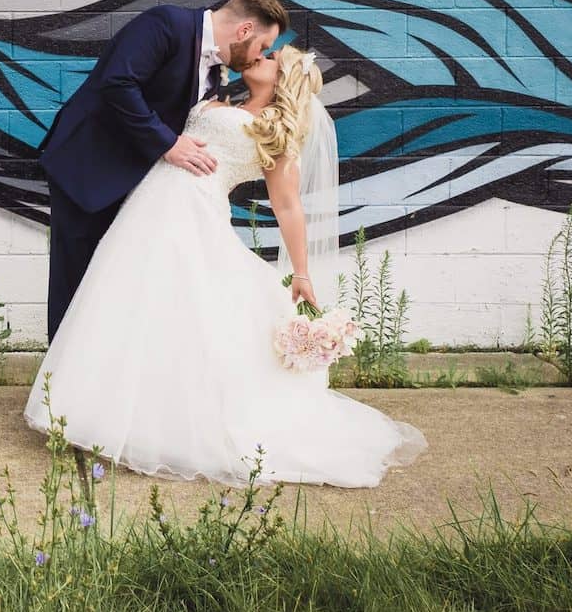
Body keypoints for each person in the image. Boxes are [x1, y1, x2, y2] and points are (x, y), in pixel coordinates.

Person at [25, 45, 428, 487]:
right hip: (149, 207)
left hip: (192, 216)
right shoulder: (220, 96)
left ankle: (165, 426)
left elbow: (288, 205)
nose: (262, 55)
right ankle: (107, 410)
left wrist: (302, 272)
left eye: (273, 57)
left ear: (284, 80)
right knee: (133, 305)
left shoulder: (275, 133)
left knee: (176, 310)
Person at [38, 0, 288, 341]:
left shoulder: (215, 72)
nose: (258, 56)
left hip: (138, 189)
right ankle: (59, 391)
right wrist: (167, 143)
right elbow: (117, 83)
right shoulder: (166, 24)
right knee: (76, 284)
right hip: (89, 170)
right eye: (262, 46)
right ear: (245, 31)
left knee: (112, 292)